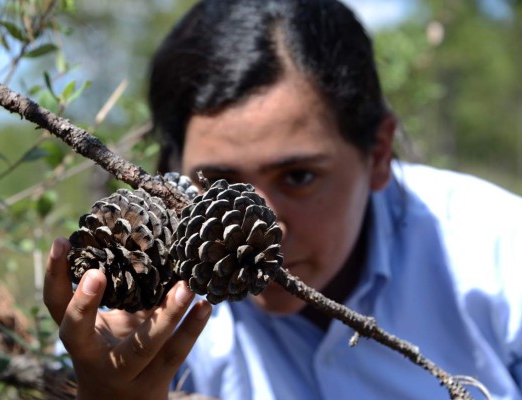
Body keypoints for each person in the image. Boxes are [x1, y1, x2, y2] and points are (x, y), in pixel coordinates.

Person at [43, 0, 522, 399]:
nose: (265, 225)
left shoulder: (498, 253)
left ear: (378, 154)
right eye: (218, 185)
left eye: (299, 176)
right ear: (170, 175)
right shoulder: (144, 319)